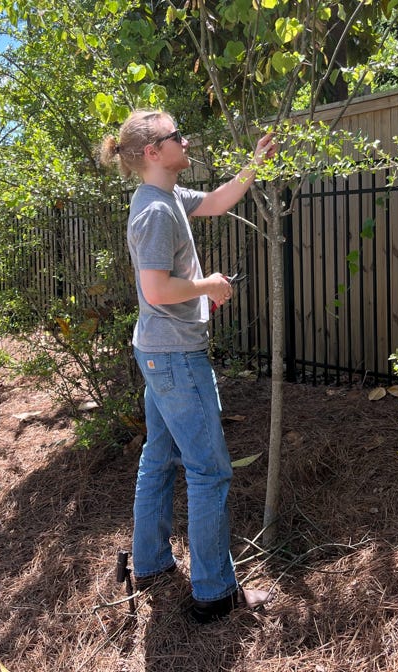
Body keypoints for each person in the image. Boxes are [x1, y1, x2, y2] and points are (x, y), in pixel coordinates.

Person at [100, 110, 277, 623]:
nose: (186, 140)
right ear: (153, 152)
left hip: (160, 351)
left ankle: (152, 562)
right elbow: (156, 290)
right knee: (209, 470)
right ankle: (214, 592)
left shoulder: (171, 198)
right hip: (176, 356)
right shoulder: (155, 211)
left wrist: (254, 164)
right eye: (177, 135)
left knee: (159, 456)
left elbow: (219, 201)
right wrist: (210, 285)